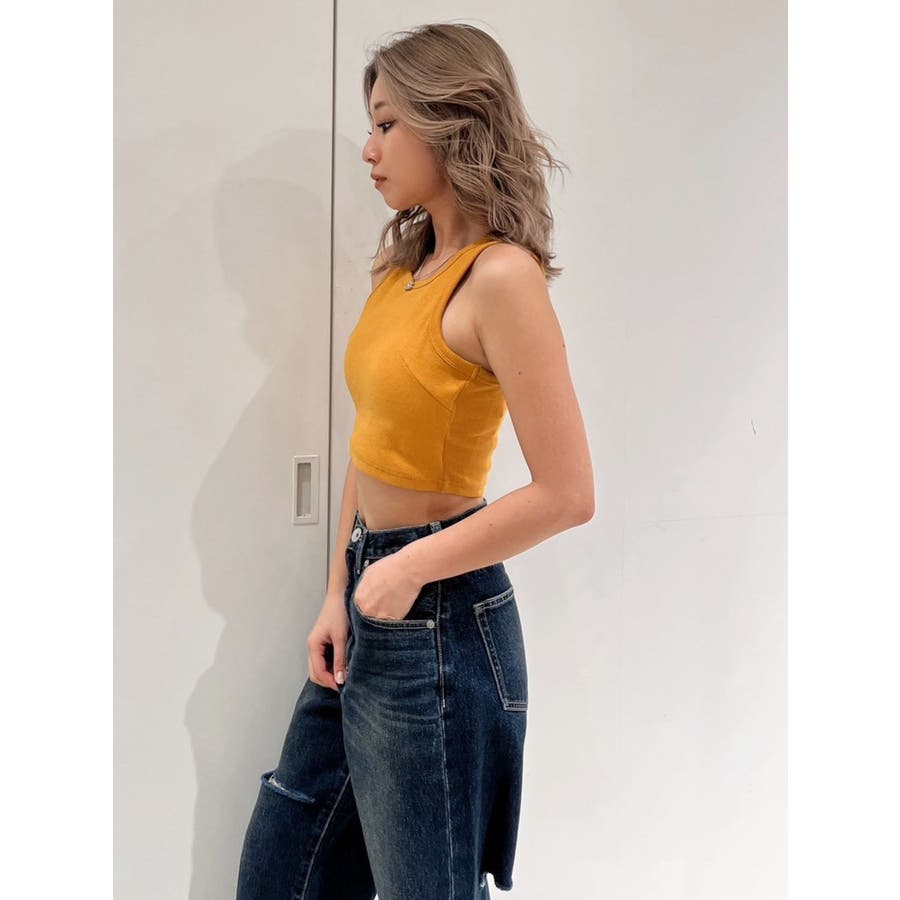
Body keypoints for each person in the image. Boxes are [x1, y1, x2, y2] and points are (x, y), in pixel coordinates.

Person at [237, 22, 594, 900]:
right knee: (283, 870)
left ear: (453, 120)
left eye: (388, 123)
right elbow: (370, 444)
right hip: (371, 599)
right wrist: (339, 589)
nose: (368, 149)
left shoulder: (500, 278)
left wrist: (405, 571)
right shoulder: (401, 271)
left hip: (438, 619)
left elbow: (567, 493)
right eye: (371, 124)